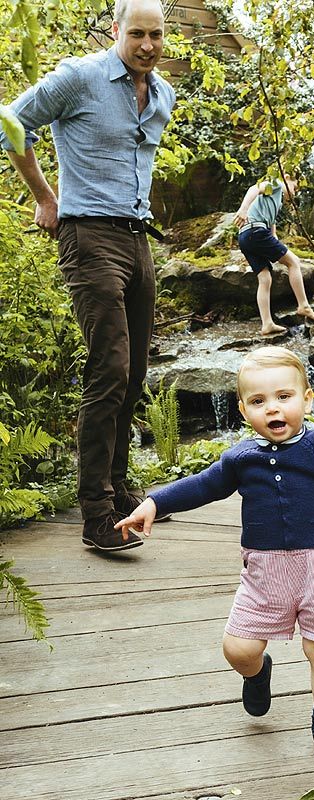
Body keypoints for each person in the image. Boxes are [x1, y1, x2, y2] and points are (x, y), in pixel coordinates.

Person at [115, 345, 314, 761]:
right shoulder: (240, 458)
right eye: (259, 401)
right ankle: (258, 674)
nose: (273, 408)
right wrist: (155, 503)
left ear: (307, 399)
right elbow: (202, 484)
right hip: (263, 575)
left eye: (284, 397)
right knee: (239, 649)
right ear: (242, 409)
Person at [0, 0, 176, 552]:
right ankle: (96, 514)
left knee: (137, 371)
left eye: (156, 34)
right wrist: (45, 196)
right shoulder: (79, 78)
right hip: (88, 236)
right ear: (117, 29)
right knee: (111, 367)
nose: (147, 44)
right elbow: (11, 123)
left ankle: (119, 489)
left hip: (137, 238)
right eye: (137, 33)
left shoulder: (162, 96)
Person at [234, 176, 314, 336]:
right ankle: (303, 305)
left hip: (246, 236)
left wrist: (273, 241)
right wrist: (244, 209)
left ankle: (267, 324)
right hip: (256, 231)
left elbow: (271, 225)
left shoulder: (277, 200)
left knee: (265, 278)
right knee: (293, 262)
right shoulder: (277, 184)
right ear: (287, 178)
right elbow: (254, 188)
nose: (295, 193)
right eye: (295, 187)